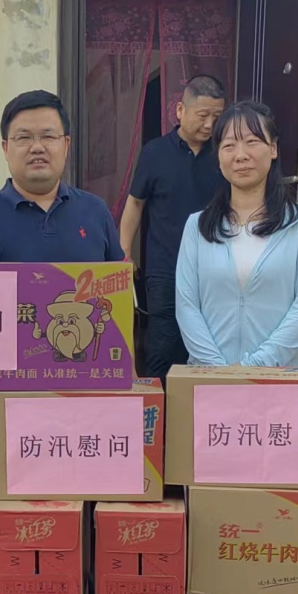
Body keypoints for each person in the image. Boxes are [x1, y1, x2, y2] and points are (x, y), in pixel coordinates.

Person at [175, 100, 298, 367]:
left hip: (276, 377)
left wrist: (252, 369)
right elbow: (187, 305)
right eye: (229, 145)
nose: (240, 155)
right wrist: (218, 371)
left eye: (252, 142)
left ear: (273, 148)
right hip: (208, 378)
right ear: (218, 156)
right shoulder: (197, 226)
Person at [120, 75, 227, 378]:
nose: (209, 124)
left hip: (214, 268)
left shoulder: (224, 154)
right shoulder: (155, 153)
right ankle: (161, 404)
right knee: (162, 345)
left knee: (209, 345)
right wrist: (125, 252)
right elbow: (135, 204)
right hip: (165, 267)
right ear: (180, 110)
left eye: (217, 117)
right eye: (202, 115)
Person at [0, 90, 123, 263]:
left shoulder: (96, 211)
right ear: (5, 148)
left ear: (66, 145)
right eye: (24, 137)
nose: (37, 148)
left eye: (48, 136)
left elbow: (119, 278)